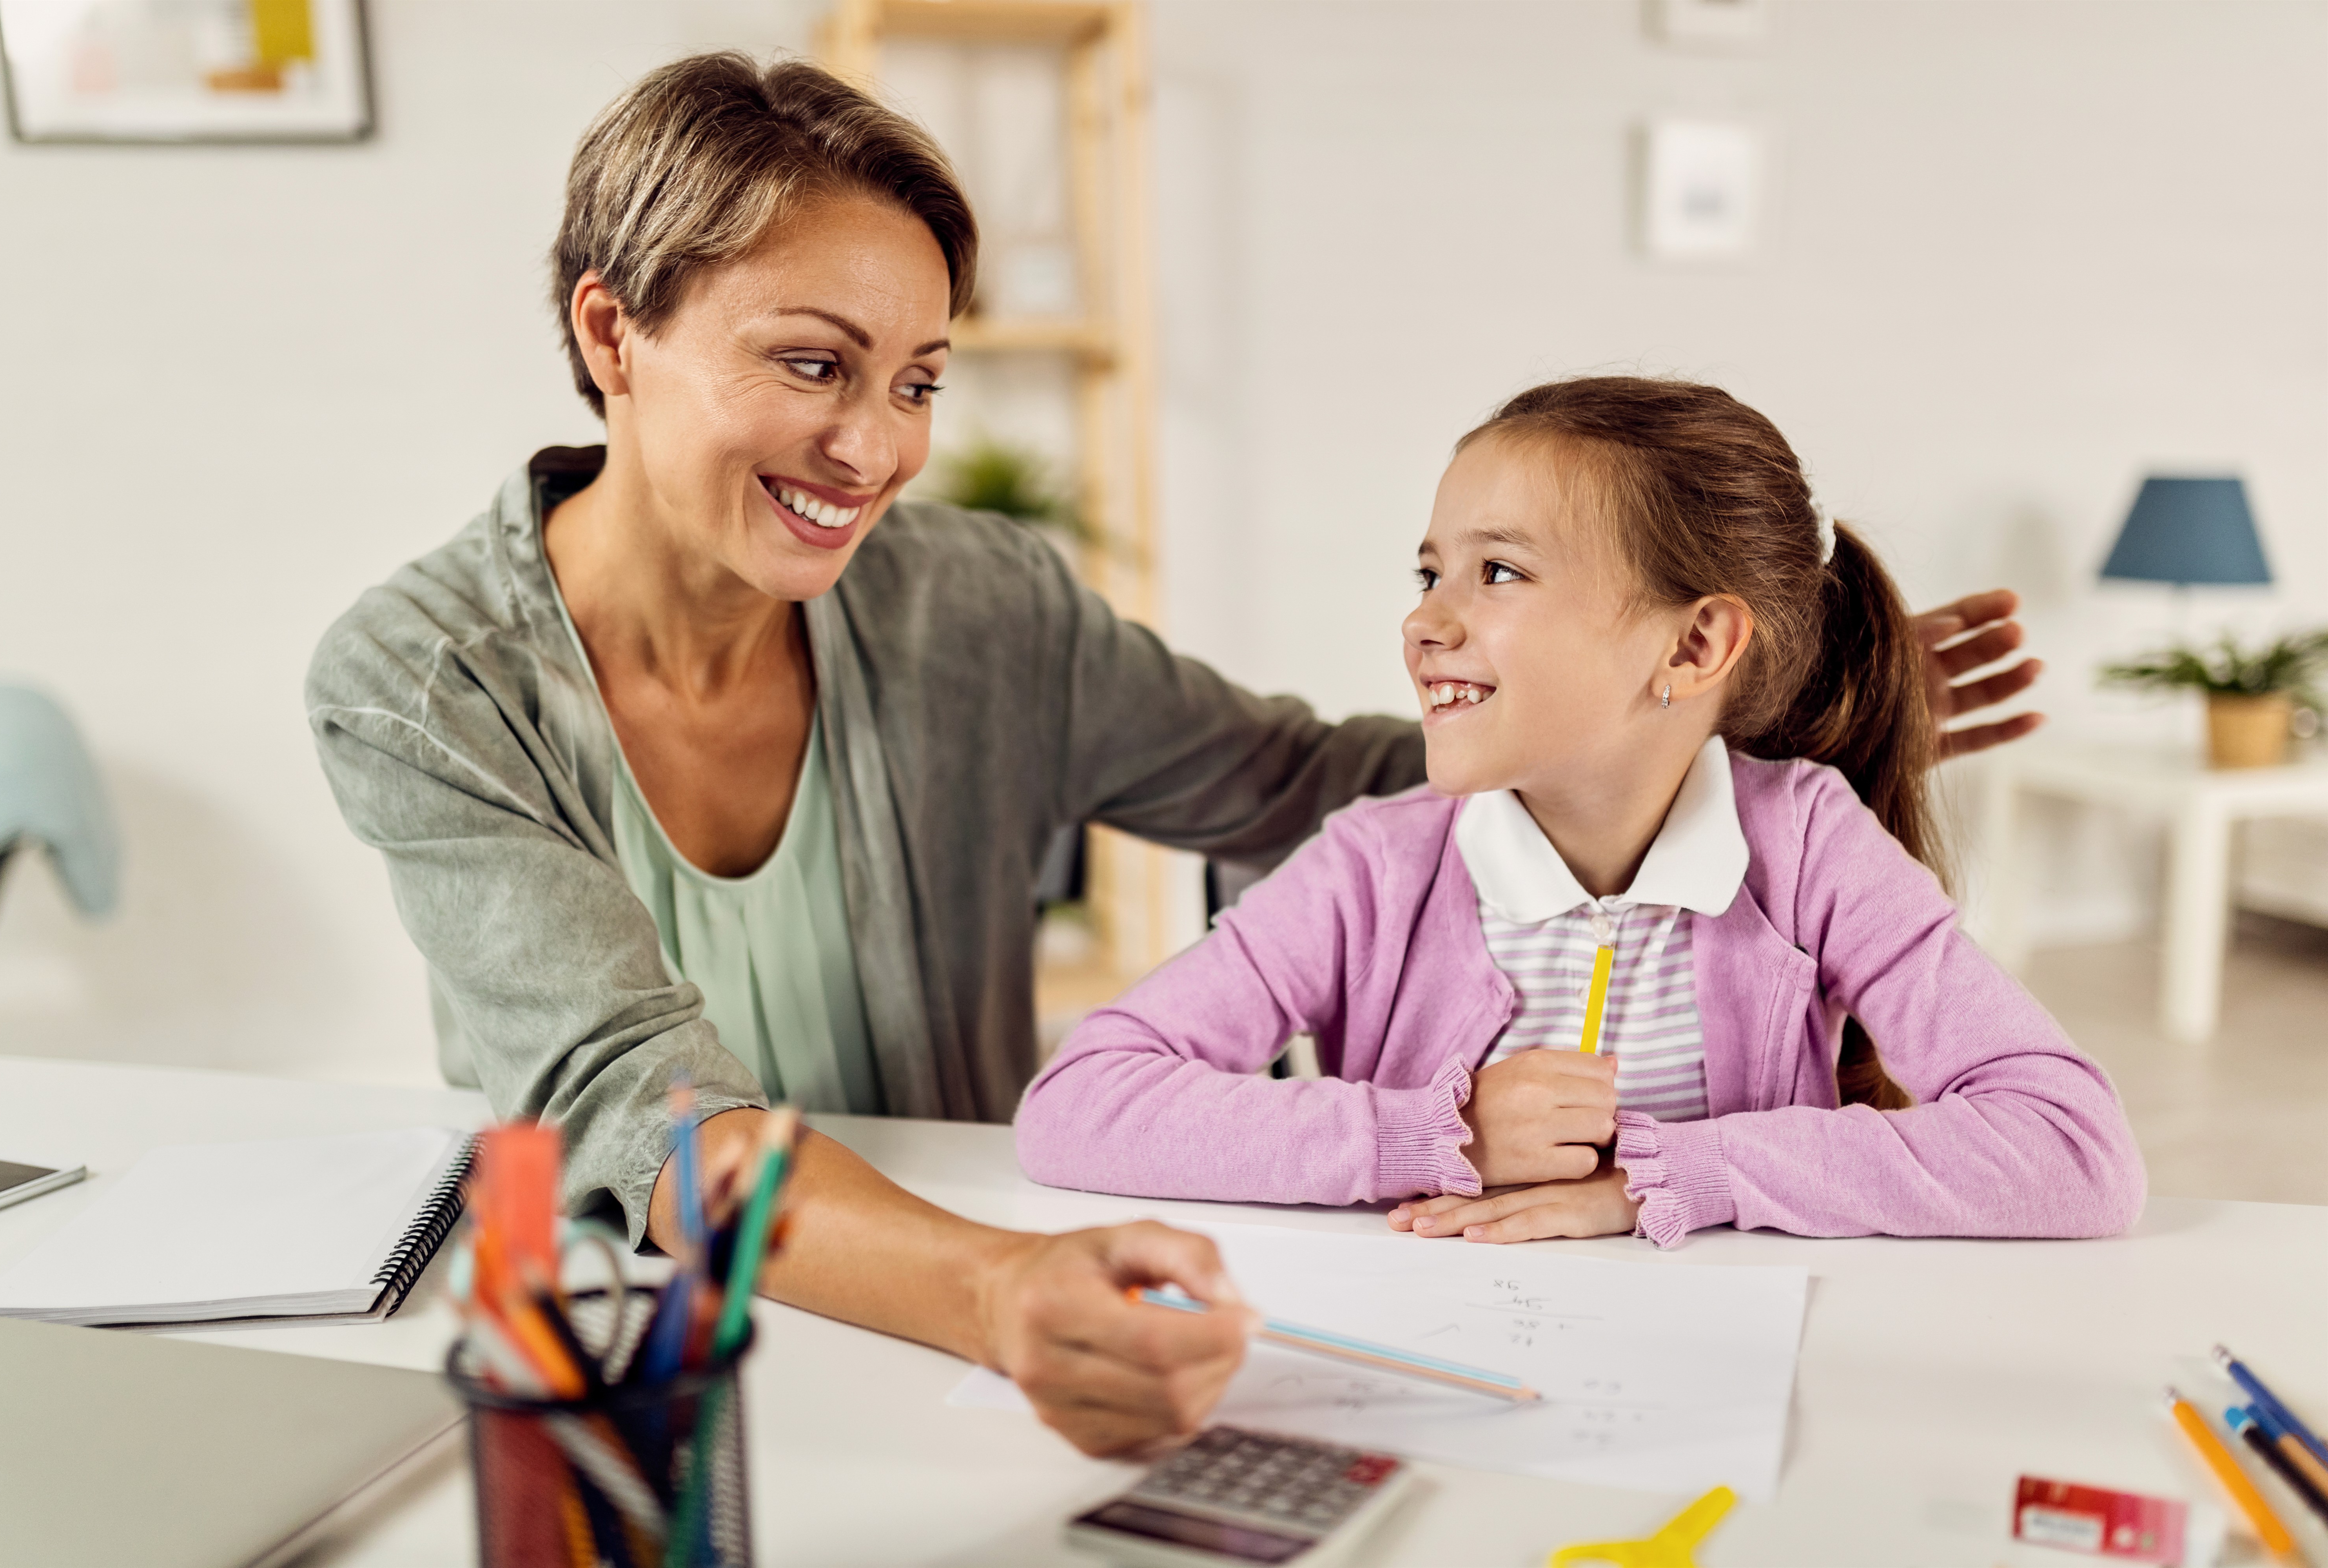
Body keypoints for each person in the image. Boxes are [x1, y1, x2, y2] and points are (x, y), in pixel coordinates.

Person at [305, 54, 2047, 1456]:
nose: (875, 446)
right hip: (634, 1332)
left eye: (919, 380)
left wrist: (1717, 718)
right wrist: (999, 1290)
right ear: (617, 335)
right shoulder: (417, 680)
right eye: (815, 364)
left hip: (976, 1270)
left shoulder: (979, 608)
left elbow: (1298, 782)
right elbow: (638, 1112)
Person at [1014, 376, 2145, 1248]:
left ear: (1695, 645)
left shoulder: (1809, 851)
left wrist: (1670, 1179)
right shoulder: (1372, 867)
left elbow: (2074, 1152)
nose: (1426, 624)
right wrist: (1439, 1136)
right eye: (1429, 575)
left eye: (1498, 574)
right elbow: (1078, 1106)